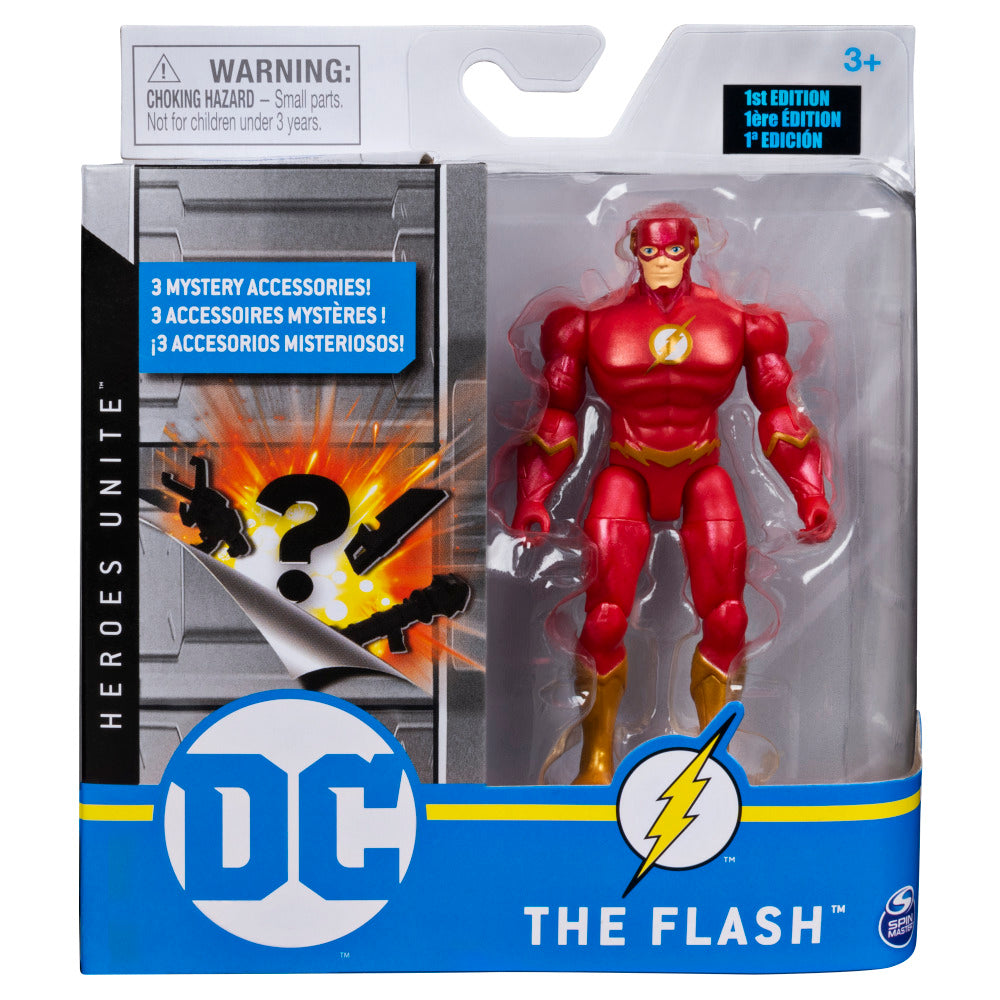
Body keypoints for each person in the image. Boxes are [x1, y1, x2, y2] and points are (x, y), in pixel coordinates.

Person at [512, 211, 834, 784]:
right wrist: (535, 496)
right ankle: (595, 759)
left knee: (729, 617)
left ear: (692, 249)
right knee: (603, 619)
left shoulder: (741, 323)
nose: (662, 263)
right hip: (626, 470)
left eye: (673, 252)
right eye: (651, 253)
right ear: (633, 251)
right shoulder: (590, 324)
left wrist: (809, 494)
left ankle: (716, 757)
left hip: (702, 470)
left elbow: (780, 415)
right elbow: (557, 416)